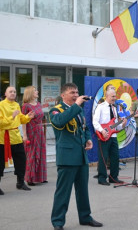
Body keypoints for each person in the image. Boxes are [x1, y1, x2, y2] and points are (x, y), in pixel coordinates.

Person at [49, 83, 102, 229]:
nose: (76, 95)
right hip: (67, 157)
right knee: (63, 192)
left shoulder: (78, 109)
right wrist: (76, 105)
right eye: (72, 92)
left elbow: (83, 127)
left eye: (77, 92)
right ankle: (58, 222)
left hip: (81, 156)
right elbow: (59, 123)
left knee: (83, 191)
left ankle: (85, 217)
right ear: (63, 95)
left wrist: (88, 139)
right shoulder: (56, 110)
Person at [0, 86, 35, 195]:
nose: (13, 93)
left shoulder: (16, 105)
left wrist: (28, 117)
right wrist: (11, 117)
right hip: (3, 138)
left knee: (21, 160)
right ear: (5, 93)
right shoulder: (1, 105)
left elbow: (21, 119)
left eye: (14, 92)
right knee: (0, 163)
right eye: (10, 91)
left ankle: (20, 182)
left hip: (15, 137)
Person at [93, 89, 127, 186]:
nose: (114, 98)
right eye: (112, 96)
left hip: (113, 136)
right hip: (103, 135)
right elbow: (95, 121)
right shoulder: (100, 107)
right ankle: (102, 178)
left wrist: (123, 124)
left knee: (115, 157)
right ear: (107, 96)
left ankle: (113, 177)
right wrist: (102, 131)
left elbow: (115, 126)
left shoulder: (114, 108)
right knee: (103, 157)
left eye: (115, 96)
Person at [22, 86, 47, 186]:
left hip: (39, 131)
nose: (37, 92)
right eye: (35, 90)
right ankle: (30, 178)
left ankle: (41, 177)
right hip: (31, 131)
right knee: (32, 154)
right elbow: (23, 121)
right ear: (30, 93)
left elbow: (40, 118)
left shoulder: (39, 104)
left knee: (41, 152)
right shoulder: (26, 106)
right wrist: (24, 135)